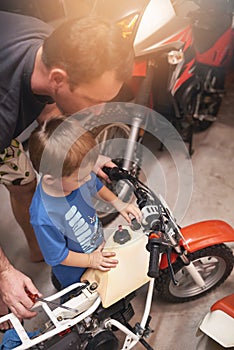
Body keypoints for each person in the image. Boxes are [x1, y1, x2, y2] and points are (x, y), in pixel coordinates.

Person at [0, 10, 134, 328]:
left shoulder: (47, 45)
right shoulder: (5, 107)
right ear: (59, 78)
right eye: (93, 99)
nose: (100, 111)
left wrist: (82, 158)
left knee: (22, 183)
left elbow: (49, 107)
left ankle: (34, 248)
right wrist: (4, 272)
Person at [28, 116, 141, 289]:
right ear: (51, 179)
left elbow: (96, 186)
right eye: (81, 178)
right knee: (84, 304)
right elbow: (58, 255)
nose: (89, 178)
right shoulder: (43, 216)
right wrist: (90, 260)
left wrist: (119, 203)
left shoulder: (77, 175)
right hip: (74, 275)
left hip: (95, 247)